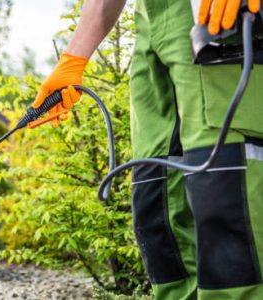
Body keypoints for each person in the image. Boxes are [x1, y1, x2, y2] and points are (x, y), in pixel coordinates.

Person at [33, 0, 263, 299]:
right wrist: (73, 59)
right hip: (152, 21)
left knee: (224, 184)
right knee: (157, 191)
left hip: (216, 17)